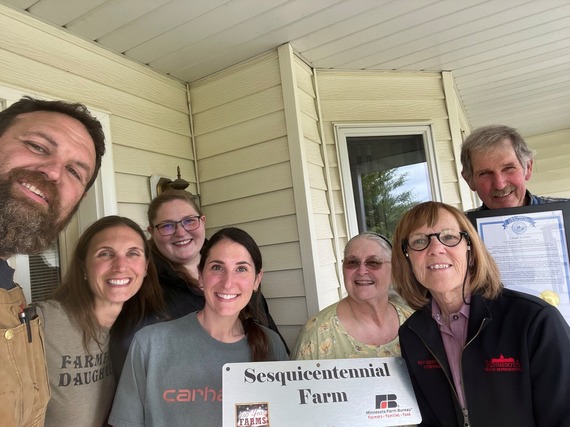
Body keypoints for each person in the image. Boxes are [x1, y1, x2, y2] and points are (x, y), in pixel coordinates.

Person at [391, 201, 570, 426]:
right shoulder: (412, 334)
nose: (435, 248)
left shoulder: (535, 320)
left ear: (471, 251)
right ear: (407, 259)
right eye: (419, 241)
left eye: (449, 237)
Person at [108, 227, 288, 427]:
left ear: (257, 280)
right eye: (217, 267)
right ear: (201, 275)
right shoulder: (150, 344)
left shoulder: (271, 344)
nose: (228, 283)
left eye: (241, 269)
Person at [0, 96, 105, 426]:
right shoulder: (51, 316)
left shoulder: (13, 297)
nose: (53, 172)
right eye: (37, 146)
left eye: (74, 171)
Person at [36, 216, 164, 427]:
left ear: (146, 267)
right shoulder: (45, 321)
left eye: (133, 253)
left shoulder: (140, 330)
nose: (120, 266)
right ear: (84, 267)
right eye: (105, 253)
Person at [145, 189, 288, 347]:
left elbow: (274, 347)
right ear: (152, 232)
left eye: (189, 221)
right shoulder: (146, 291)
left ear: (202, 221)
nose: (180, 232)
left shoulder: (244, 281)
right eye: (167, 226)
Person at [293, 232, 413, 359]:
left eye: (373, 262)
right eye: (352, 262)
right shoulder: (316, 334)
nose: (361, 271)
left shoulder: (414, 322)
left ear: (394, 270)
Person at [460, 124, 567, 211]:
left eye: (508, 168)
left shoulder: (567, 212)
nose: (500, 185)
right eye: (485, 173)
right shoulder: (459, 228)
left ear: (528, 168)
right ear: (469, 181)